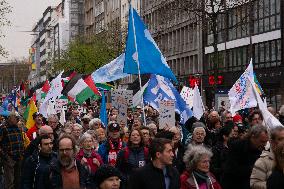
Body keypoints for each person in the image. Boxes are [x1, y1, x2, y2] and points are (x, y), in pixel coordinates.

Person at [222, 125, 269, 189]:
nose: (265, 144)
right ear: (253, 137)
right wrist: (255, 168)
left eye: (266, 141)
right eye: (262, 141)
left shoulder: (263, 150)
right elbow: (231, 169)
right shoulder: (237, 146)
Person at [0, 112, 24, 189]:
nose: (17, 120)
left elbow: (21, 141)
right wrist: (5, 156)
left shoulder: (18, 128)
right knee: (9, 181)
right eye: (16, 118)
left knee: (18, 180)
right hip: (9, 158)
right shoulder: (3, 128)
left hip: (19, 157)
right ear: (10, 119)